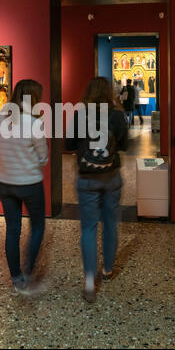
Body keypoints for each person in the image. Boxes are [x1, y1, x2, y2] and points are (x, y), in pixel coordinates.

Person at [66, 77, 128, 303]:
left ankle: (90, 280)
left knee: (89, 228)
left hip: (87, 178)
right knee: (111, 223)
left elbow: (69, 145)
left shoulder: (80, 114)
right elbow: (125, 145)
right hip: (111, 176)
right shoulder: (117, 115)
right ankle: (108, 268)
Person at [0, 79, 48, 295]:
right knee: (37, 226)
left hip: (5, 183)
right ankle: (28, 271)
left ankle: (16, 277)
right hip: (29, 183)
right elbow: (43, 156)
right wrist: (31, 160)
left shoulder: (0, 120)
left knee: (12, 230)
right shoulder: (34, 123)